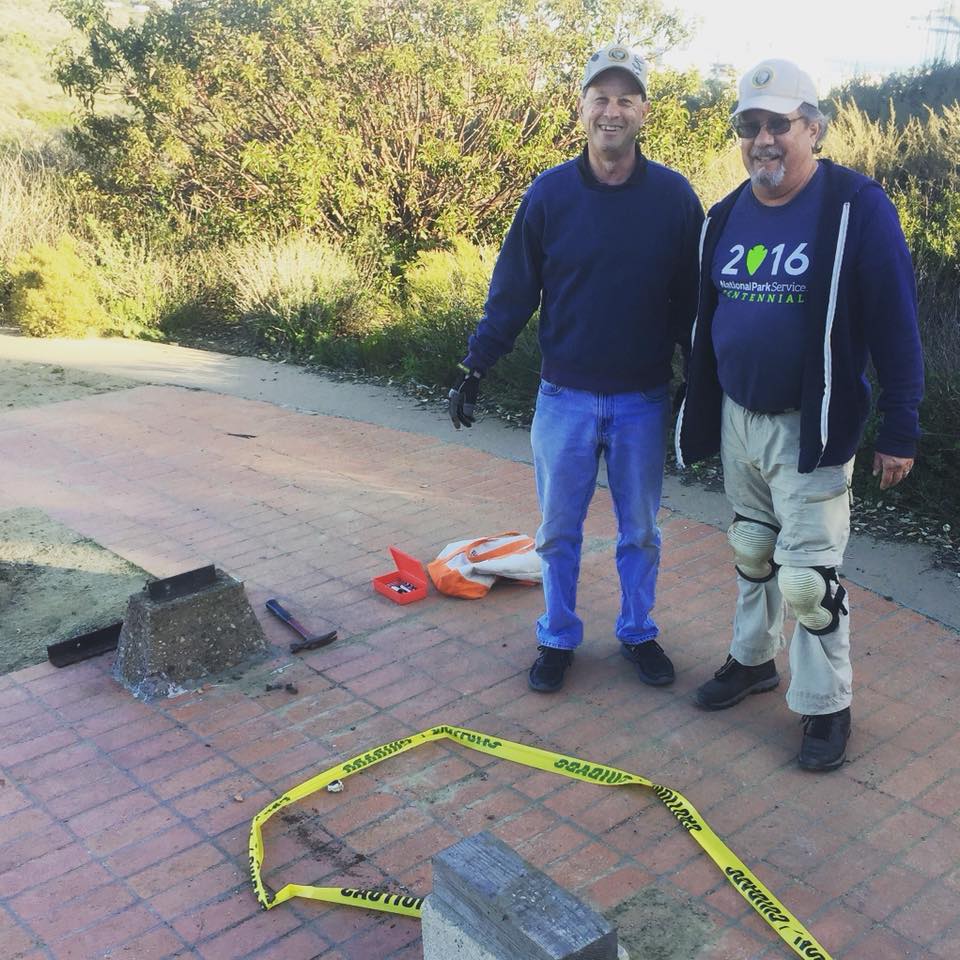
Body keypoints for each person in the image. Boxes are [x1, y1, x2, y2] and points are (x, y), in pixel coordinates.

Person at [675, 59, 924, 770]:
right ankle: (752, 661)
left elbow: (895, 324)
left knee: (808, 581)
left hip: (810, 425)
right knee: (752, 551)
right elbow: (705, 319)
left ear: (812, 126)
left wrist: (900, 425)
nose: (764, 140)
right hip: (739, 417)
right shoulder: (725, 214)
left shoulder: (855, 205)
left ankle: (826, 707)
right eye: (750, 127)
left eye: (779, 124)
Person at [448, 43, 703, 693]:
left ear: (643, 110)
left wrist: (705, 376)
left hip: (643, 399)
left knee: (640, 532)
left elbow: (693, 301)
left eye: (625, 98)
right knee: (558, 530)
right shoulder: (549, 194)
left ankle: (637, 632)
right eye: (600, 97)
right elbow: (512, 291)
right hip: (563, 397)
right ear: (582, 105)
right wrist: (476, 365)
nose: (611, 110)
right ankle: (558, 635)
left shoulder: (674, 198)